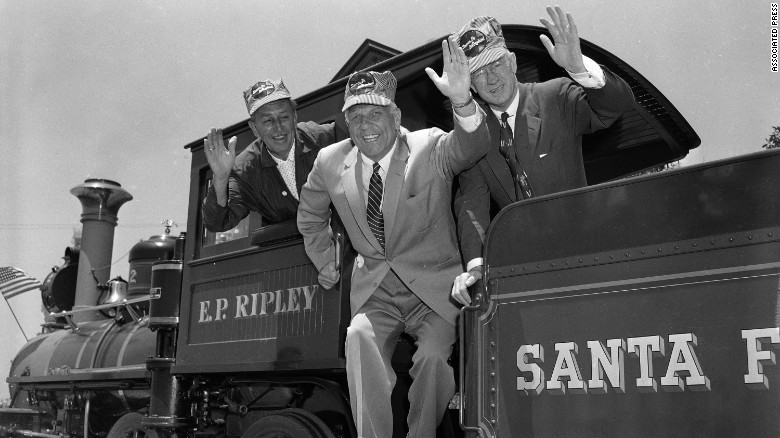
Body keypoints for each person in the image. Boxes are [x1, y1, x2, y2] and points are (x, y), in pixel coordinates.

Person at [297, 36, 490, 437]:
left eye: (375, 113)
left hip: (434, 290)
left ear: (396, 114)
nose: (365, 125)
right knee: (358, 338)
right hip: (377, 292)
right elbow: (310, 216)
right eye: (355, 117)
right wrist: (325, 260)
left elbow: (471, 146)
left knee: (434, 361)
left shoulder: (429, 145)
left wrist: (463, 103)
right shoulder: (329, 162)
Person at [451, 8, 636, 305]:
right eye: (479, 72)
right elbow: (472, 204)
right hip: (526, 271)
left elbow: (617, 107)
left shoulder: (556, 96)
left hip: (586, 258)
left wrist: (578, 68)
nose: (491, 78)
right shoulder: (473, 134)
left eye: (496, 63)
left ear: (511, 62)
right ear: (470, 84)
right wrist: (476, 266)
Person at [201, 79, 335, 231]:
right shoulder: (244, 170)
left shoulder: (326, 137)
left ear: (295, 117)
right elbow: (217, 223)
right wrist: (220, 178)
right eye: (268, 121)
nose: (278, 128)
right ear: (254, 128)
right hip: (293, 251)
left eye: (284, 117)